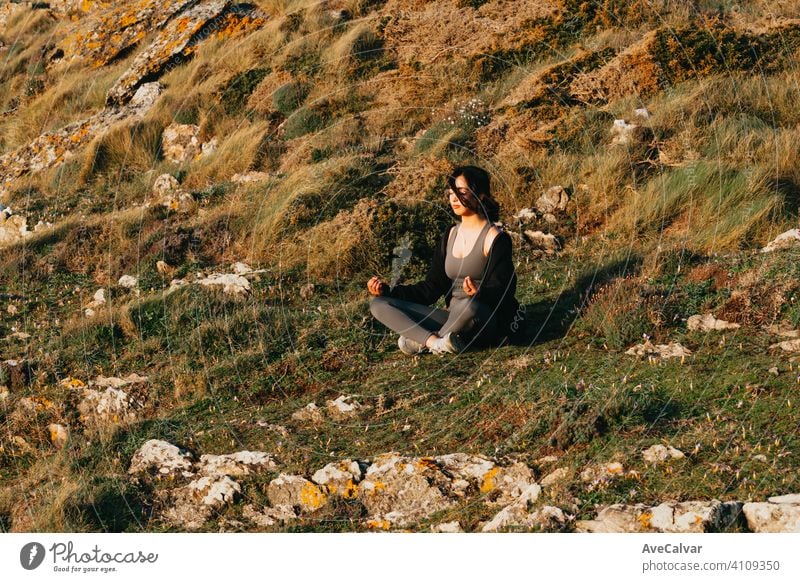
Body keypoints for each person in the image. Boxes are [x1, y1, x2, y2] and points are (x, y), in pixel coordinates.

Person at [368, 165, 522, 356]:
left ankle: (422, 341)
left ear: (481, 195)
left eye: (461, 192)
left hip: (482, 317)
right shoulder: (450, 234)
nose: (454, 198)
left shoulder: (495, 238)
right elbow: (431, 288)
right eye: (451, 193)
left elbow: (506, 289)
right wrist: (388, 291)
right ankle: (435, 342)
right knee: (379, 304)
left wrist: (481, 292)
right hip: (451, 316)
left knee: (469, 306)